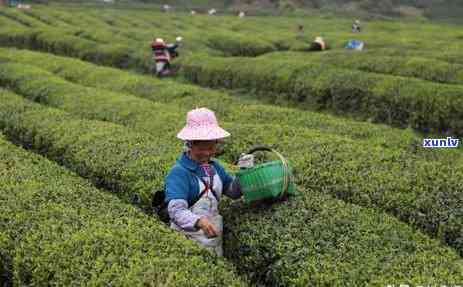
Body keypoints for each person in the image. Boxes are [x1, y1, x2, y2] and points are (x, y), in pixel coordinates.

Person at [164, 107, 249, 256]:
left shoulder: (215, 167)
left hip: (214, 240)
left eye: (211, 147)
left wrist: (245, 172)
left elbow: (233, 192)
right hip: (186, 242)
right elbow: (176, 211)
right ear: (190, 144)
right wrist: (199, 222)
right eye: (202, 148)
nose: (208, 153)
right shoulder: (179, 172)